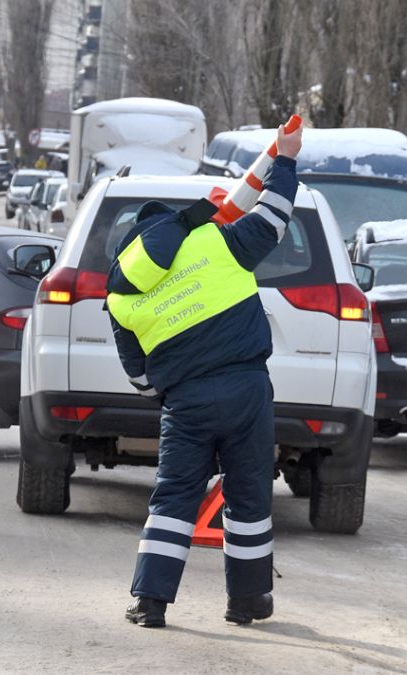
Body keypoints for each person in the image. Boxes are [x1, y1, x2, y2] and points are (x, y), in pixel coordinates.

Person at [107, 123, 302, 629]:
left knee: (173, 495)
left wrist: (171, 393)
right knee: (249, 493)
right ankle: (248, 601)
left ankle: (151, 602)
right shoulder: (212, 243)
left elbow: (138, 376)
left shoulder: (122, 296)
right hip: (246, 389)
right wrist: (286, 161)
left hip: (185, 402)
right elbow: (275, 218)